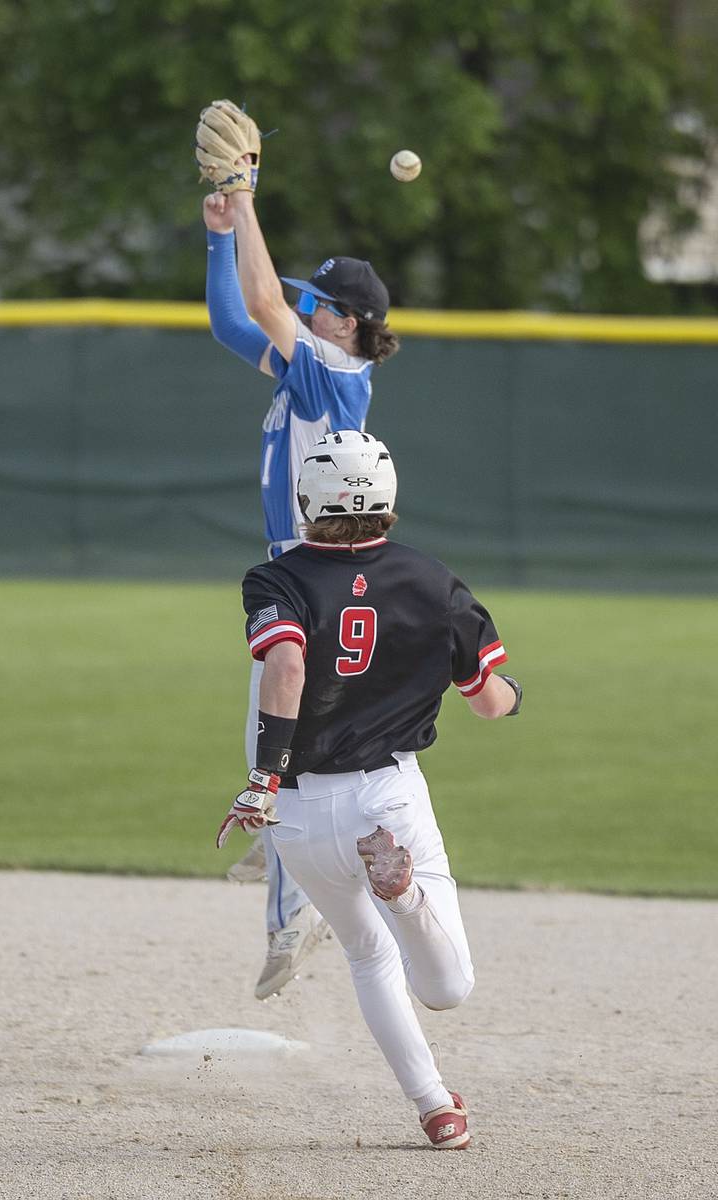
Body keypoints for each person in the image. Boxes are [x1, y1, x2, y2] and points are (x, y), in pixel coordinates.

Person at [217, 430, 522, 1149]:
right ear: (388, 497)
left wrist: (261, 781)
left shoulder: (276, 578)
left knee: (365, 953)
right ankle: (406, 895)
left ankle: (435, 1108)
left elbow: (285, 666)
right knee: (448, 988)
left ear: (308, 500)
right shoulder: (431, 579)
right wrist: (513, 691)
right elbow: (487, 701)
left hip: (296, 808)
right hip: (387, 798)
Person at [202, 122, 400, 1001]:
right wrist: (219, 228)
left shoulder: (331, 372)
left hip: (312, 575)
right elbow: (230, 316)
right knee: (276, 745)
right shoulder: (305, 371)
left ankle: (296, 912)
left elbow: (261, 298)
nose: (303, 309)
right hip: (301, 568)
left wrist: (244, 196)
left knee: (280, 754)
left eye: (317, 304)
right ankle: (290, 878)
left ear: (347, 322)